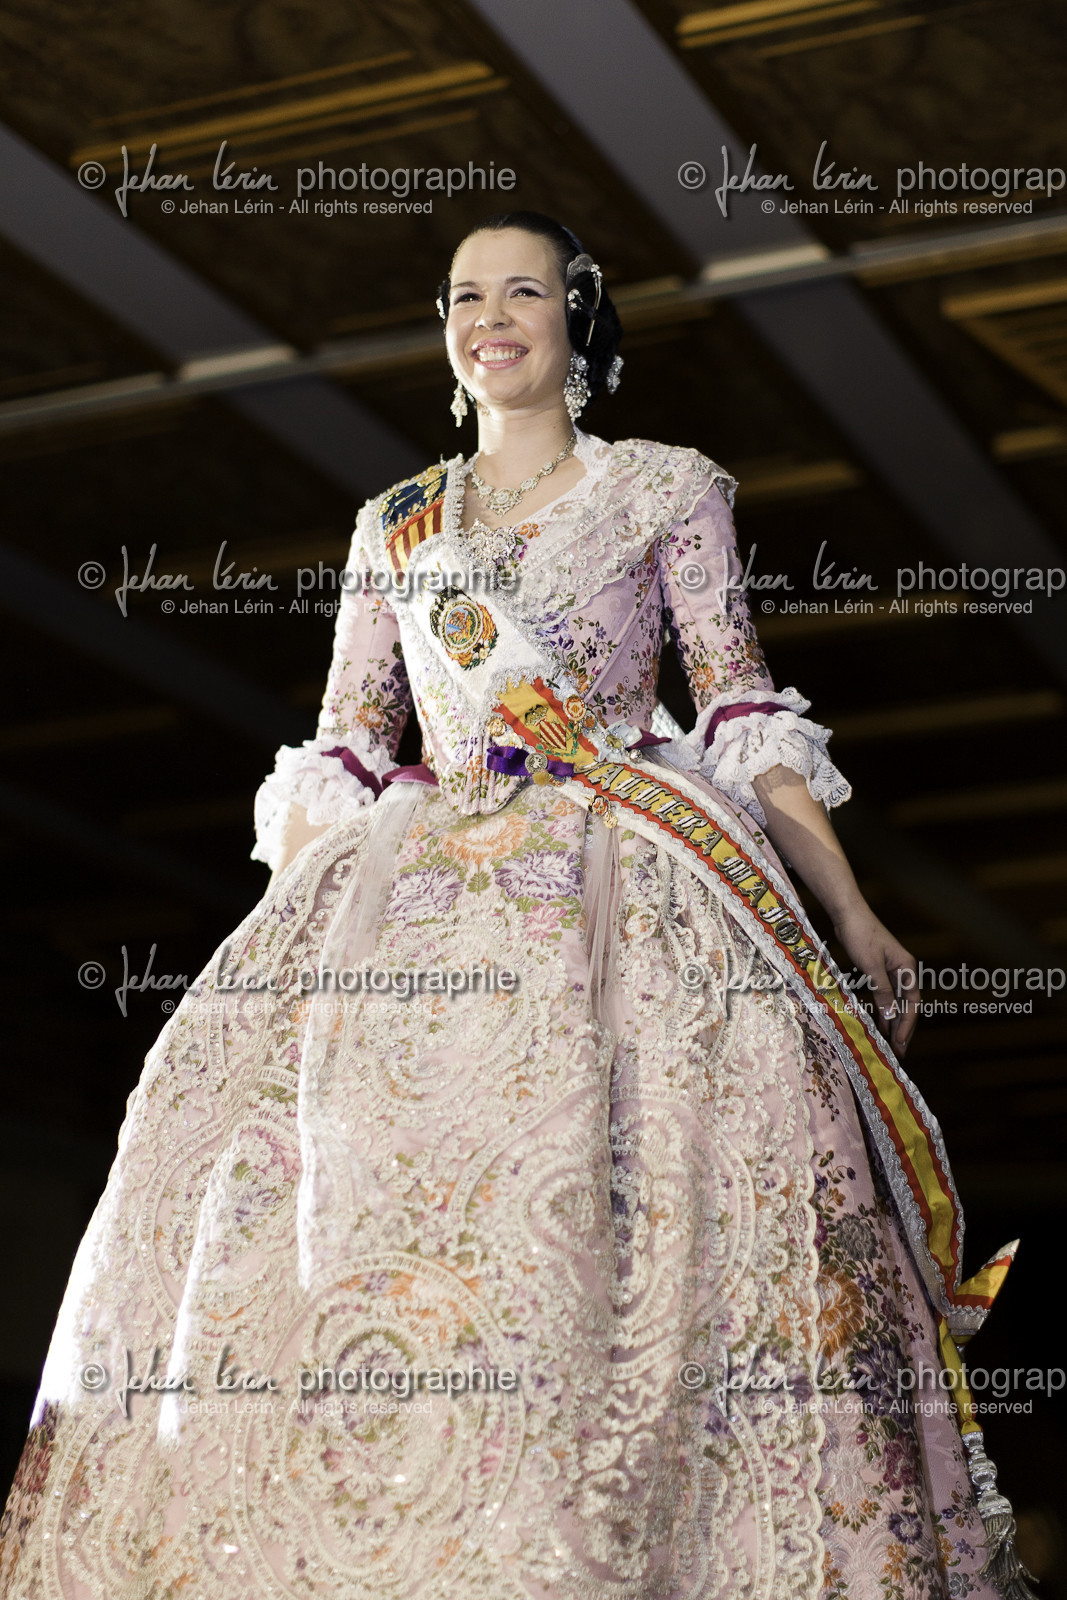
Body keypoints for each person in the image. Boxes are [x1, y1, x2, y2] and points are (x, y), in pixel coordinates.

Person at [0, 211, 1033, 1600]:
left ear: (575, 319)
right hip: (420, 882)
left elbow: (737, 705)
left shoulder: (669, 489)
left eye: (524, 291)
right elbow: (350, 747)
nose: (492, 316)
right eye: (465, 296)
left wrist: (850, 911)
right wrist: (279, 955)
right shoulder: (398, 524)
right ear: (445, 330)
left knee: (649, 1217)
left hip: (626, 870)